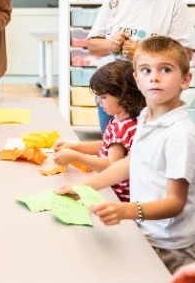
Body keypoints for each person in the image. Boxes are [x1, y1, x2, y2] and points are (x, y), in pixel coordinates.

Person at [56, 36, 195, 274]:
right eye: (145, 69)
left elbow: (175, 203)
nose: (154, 77)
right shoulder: (145, 118)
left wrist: (126, 211)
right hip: (145, 229)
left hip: (169, 245)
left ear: (185, 79)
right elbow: (130, 162)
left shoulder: (180, 134)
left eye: (165, 69)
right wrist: (85, 187)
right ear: (136, 79)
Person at [87, 0, 195, 133]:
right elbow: (93, 45)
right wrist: (112, 45)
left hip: (152, 90)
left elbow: (185, 53)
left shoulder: (174, 3)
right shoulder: (114, 1)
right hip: (113, 90)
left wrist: (142, 53)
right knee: (112, 148)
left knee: (146, 151)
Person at [53, 59, 145, 202]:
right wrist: (77, 146)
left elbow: (110, 165)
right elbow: (106, 146)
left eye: (103, 97)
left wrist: (75, 156)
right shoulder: (123, 120)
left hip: (115, 195)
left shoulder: (123, 128)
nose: (98, 101)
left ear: (126, 98)